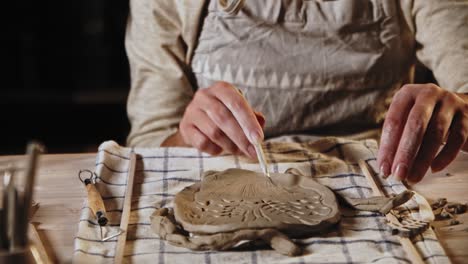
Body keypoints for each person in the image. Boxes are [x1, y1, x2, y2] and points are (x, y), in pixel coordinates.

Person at [124, 0, 468, 184]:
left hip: (380, 181)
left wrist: (456, 111)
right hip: (224, 183)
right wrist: (191, 135)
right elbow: (149, 142)